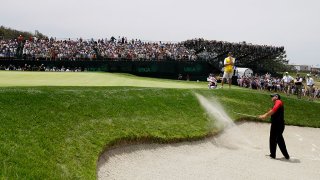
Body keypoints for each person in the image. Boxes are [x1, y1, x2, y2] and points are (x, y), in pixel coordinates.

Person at [258, 93, 290, 160]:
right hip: (276, 124)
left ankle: (283, 155)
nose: (271, 97)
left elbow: (274, 110)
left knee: (277, 139)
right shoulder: (276, 103)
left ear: (276, 97)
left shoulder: (278, 101)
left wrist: (265, 116)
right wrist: (264, 115)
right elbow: (272, 111)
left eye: (272, 96)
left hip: (278, 125)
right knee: (275, 139)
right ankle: (276, 155)